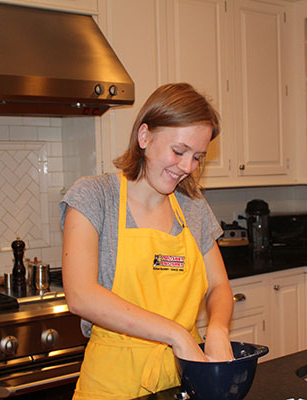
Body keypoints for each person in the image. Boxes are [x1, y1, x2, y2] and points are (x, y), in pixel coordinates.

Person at [60, 82, 234, 399]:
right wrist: (176, 335)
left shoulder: (193, 208)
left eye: (197, 157)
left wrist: (219, 329)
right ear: (144, 136)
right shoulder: (94, 197)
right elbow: (80, 295)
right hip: (112, 385)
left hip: (182, 381)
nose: (187, 168)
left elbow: (219, 286)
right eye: (178, 151)